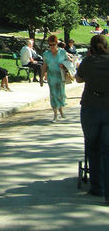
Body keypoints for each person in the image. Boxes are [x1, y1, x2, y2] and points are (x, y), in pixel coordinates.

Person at [76, 35, 109, 203]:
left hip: (90, 108)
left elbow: (79, 78)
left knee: (93, 147)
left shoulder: (88, 61)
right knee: (107, 150)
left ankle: (97, 187)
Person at [40, 34, 72, 122]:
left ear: (56, 43)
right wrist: (41, 78)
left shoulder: (62, 52)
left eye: (53, 44)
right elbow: (44, 66)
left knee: (60, 94)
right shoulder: (46, 54)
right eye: (50, 45)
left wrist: (64, 65)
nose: (52, 47)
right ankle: (55, 115)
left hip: (60, 75)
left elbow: (69, 61)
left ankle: (61, 110)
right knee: (53, 94)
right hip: (51, 76)